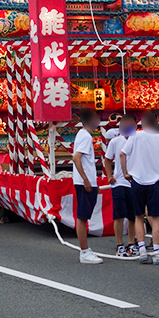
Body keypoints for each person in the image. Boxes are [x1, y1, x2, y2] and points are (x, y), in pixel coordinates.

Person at [120, 111, 159, 264]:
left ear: (143, 123)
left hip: (137, 181)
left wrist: (125, 172)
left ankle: (142, 250)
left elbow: (122, 154)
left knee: (139, 216)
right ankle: (157, 252)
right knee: (155, 218)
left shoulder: (135, 136)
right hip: (154, 182)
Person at [104, 115, 138, 258]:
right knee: (118, 216)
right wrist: (109, 176)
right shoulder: (115, 142)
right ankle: (119, 245)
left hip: (135, 182)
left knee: (133, 216)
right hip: (118, 183)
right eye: (124, 124)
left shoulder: (138, 140)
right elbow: (107, 159)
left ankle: (131, 243)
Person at [72, 110, 103, 264]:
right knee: (83, 217)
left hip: (85, 180)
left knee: (83, 216)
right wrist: (86, 180)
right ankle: (84, 252)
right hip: (85, 182)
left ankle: (85, 250)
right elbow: (76, 158)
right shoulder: (85, 136)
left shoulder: (82, 135)